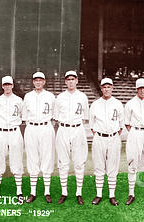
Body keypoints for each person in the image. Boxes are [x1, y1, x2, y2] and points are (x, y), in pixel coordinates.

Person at [54, 71, 88, 204]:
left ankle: (79, 192)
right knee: (63, 162)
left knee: (79, 162)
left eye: (73, 79)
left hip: (77, 129)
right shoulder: (60, 97)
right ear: (65, 81)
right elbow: (56, 118)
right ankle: (64, 192)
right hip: (63, 129)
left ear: (77, 80)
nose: (70, 81)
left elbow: (85, 117)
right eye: (68, 79)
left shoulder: (83, 97)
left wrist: (76, 127)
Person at [89, 78, 124, 206]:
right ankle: (98, 194)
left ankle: (112, 195)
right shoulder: (95, 104)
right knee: (99, 167)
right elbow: (91, 125)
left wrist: (112, 135)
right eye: (104, 87)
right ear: (101, 88)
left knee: (112, 167)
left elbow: (121, 126)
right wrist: (100, 134)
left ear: (112, 88)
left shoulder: (118, 104)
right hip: (99, 137)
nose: (106, 89)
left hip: (114, 137)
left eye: (109, 86)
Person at [22, 72, 56, 203]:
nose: (38, 82)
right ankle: (33, 192)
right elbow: (24, 116)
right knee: (32, 158)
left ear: (44, 82)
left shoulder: (50, 96)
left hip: (46, 126)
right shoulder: (28, 96)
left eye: (40, 80)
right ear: (33, 82)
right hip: (31, 127)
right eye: (35, 80)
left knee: (47, 157)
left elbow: (55, 115)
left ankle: (47, 191)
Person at [0, 76, 23, 202]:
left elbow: (22, 115)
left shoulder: (19, 100)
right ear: (2, 86)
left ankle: (19, 191)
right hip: (1, 132)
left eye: (9, 84)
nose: (7, 87)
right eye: (5, 84)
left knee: (17, 160)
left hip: (15, 131)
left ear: (13, 85)